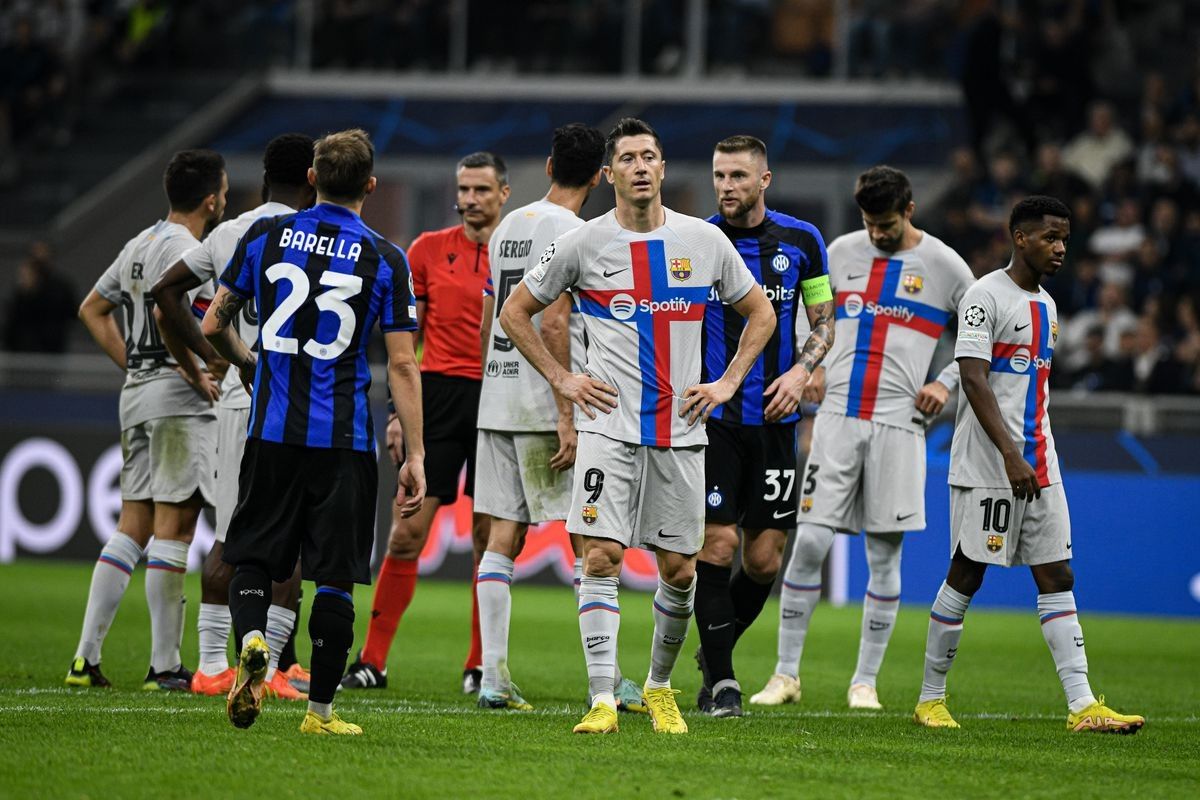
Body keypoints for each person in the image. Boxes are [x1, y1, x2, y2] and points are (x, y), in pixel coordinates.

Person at [500, 118, 775, 735]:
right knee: (600, 556)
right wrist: (563, 380)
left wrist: (728, 382)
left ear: (663, 168)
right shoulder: (583, 242)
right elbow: (516, 312)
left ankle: (657, 686)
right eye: (628, 159)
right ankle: (602, 697)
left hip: (681, 432)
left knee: (680, 570)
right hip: (608, 430)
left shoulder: (703, 241)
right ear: (609, 174)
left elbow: (760, 313)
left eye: (650, 156)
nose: (641, 167)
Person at [202, 128, 425, 735]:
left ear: (311, 178)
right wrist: (416, 454)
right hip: (342, 440)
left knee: (251, 554)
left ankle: (252, 639)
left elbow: (214, 323)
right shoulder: (386, 258)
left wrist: (250, 364)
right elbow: (403, 364)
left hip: (271, 431)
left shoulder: (265, 235)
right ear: (370, 185)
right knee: (334, 577)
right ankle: (320, 713)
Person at [914, 195, 1144, 734]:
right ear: (1020, 238)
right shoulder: (984, 296)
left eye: (1065, 238)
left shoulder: (1049, 306)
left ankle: (1083, 706)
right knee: (967, 572)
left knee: (1057, 573)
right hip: (990, 464)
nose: (1061, 248)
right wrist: (1010, 454)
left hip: (1041, 461)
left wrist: (1030, 456)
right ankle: (930, 699)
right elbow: (973, 379)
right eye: (1050, 237)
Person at [751, 165, 974, 711]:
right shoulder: (840, 251)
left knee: (883, 554)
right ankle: (785, 675)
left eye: (887, 225)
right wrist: (809, 364)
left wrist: (945, 383)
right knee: (809, 542)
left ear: (910, 211)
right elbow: (806, 313)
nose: (876, 234)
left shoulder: (946, 266)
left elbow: (981, 336)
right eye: (870, 224)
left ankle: (865, 681)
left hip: (900, 425)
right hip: (837, 420)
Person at [151, 133, 316, 701]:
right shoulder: (318, 235)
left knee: (230, 534)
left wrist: (218, 357)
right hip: (294, 401)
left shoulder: (228, 233)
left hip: (236, 400)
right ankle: (274, 671)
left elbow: (165, 293)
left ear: (264, 178)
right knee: (289, 536)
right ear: (312, 178)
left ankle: (211, 665)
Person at [341, 151, 510, 695]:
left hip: (498, 398)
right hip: (435, 397)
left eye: (481, 189)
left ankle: (480, 666)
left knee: (487, 540)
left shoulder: (521, 252)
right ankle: (372, 661)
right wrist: (397, 413)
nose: (470, 199)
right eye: (464, 189)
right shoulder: (427, 250)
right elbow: (402, 343)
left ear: (504, 194)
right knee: (406, 534)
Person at [67, 149, 228, 690]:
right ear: (211, 200)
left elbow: (92, 308)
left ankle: (85, 659)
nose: (225, 199)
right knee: (174, 528)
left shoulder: (139, 243)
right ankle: (164, 666)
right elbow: (167, 313)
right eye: (224, 192)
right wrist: (196, 369)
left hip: (136, 395)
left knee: (132, 526)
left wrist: (133, 365)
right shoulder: (189, 250)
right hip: (177, 402)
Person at [692, 135, 835, 719]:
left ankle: (713, 649)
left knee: (764, 561)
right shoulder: (698, 239)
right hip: (716, 421)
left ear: (764, 180)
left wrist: (802, 371)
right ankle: (723, 682)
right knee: (718, 543)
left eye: (738, 176)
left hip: (777, 420)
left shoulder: (803, 241)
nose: (726, 187)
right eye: (719, 176)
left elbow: (824, 322)